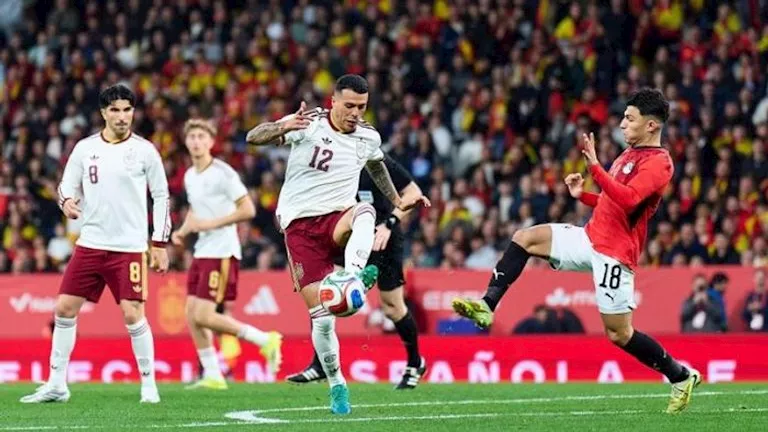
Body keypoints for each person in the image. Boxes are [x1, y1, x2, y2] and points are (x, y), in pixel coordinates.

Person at [452, 88, 701, 414]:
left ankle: (680, 376)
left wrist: (596, 168)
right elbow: (612, 202)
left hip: (614, 254)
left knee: (619, 334)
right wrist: (583, 195)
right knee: (525, 237)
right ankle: (487, 305)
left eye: (630, 119)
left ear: (651, 125)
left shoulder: (659, 163)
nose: (622, 124)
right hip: (589, 237)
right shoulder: (628, 154)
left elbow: (629, 201)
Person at [245, 74, 429, 414]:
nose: (355, 113)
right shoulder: (308, 123)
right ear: (333, 101)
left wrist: (397, 203)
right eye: (349, 106)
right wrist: (283, 125)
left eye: (361, 107)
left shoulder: (367, 137)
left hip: (336, 220)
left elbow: (378, 168)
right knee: (323, 318)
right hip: (300, 229)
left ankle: (354, 277)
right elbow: (253, 137)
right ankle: (337, 384)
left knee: (365, 211)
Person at [21, 84, 170, 404]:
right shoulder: (85, 148)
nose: (122, 116)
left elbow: (161, 196)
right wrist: (66, 202)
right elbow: (66, 186)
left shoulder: (145, 151)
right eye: (115, 110)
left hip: (129, 247)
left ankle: (149, 385)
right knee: (64, 308)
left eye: (127, 110)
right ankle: (57, 384)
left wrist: (159, 242)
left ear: (133, 112)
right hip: (90, 243)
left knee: (133, 313)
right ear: (104, 113)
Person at [286, 155, 427, 389]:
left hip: (383, 238)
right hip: (349, 238)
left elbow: (413, 192)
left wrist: (390, 223)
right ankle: (320, 364)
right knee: (325, 292)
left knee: (392, 307)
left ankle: (415, 362)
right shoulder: (333, 161)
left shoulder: (376, 160)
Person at [171, 119, 283, 390]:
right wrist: (182, 231)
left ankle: (265, 339)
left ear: (211, 142)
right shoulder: (189, 175)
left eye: (202, 136)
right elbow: (196, 210)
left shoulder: (223, 173)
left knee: (205, 315)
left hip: (222, 250)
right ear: (186, 142)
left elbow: (248, 209)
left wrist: (211, 224)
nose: (196, 141)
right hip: (202, 250)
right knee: (191, 314)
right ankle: (212, 374)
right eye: (192, 137)